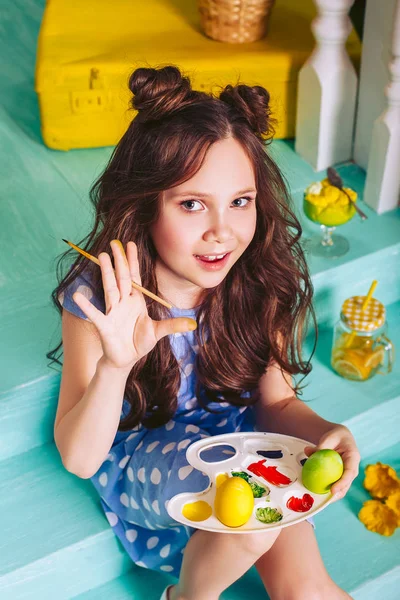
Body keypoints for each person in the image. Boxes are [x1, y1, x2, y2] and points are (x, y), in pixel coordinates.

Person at [49, 65, 360, 600]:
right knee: (246, 506)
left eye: (240, 202)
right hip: (145, 458)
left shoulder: (258, 277)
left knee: (309, 588)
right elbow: (79, 458)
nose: (223, 231)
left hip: (239, 442)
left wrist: (327, 430)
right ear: (146, 205)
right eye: (192, 203)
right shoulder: (102, 298)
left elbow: (276, 404)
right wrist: (115, 367)